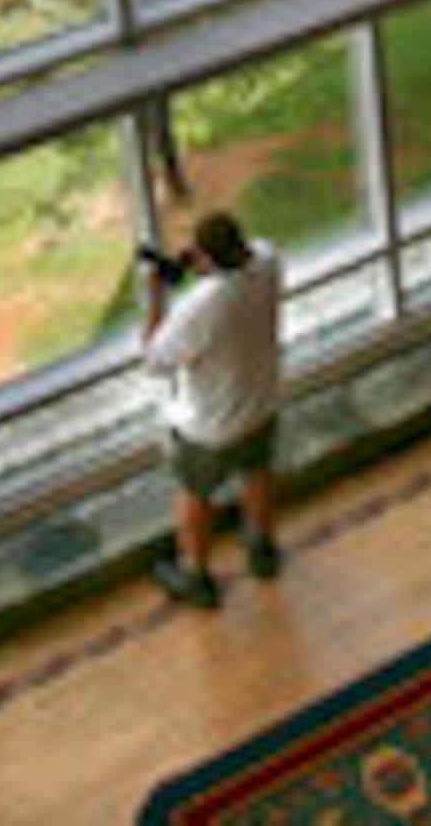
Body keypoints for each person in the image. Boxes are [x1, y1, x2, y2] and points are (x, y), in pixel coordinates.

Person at [141, 208, 284, 608]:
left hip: (210, 427)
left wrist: (155, 293)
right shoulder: (269, 262)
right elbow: (250, 252)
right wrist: (199, 259)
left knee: (195, 497)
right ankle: (262, 549)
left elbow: (155, 360)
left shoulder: (201, 306)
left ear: (206, 259)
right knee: (257, 473)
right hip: (261, 403)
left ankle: (196, 575)